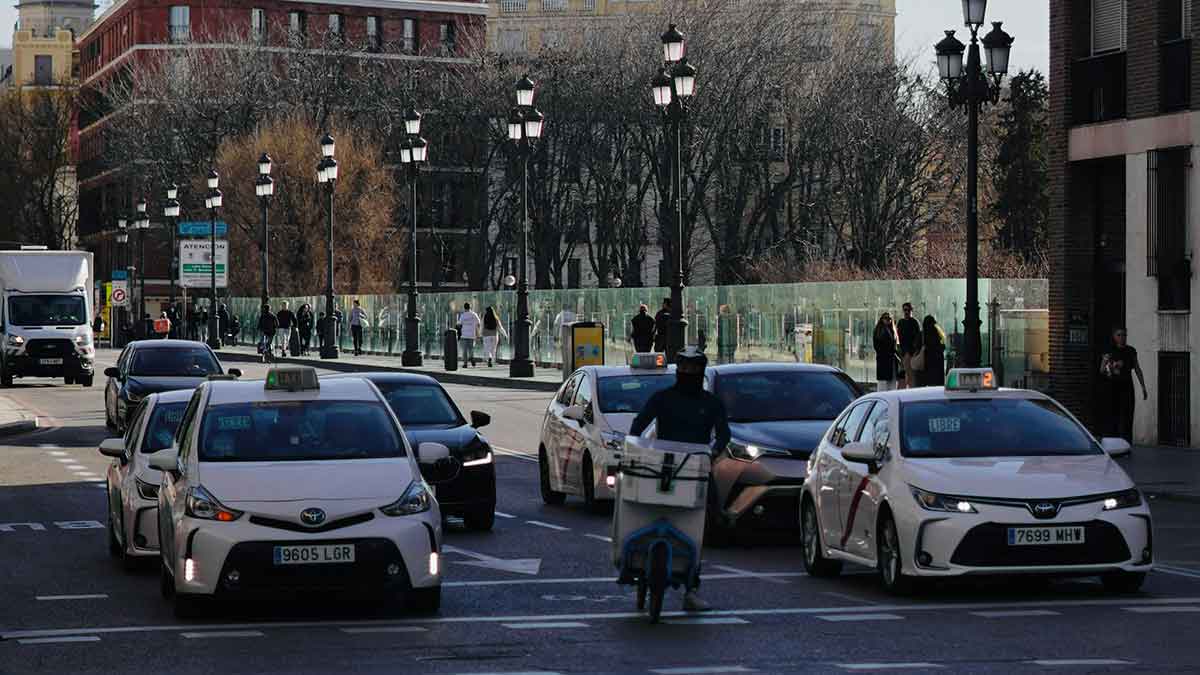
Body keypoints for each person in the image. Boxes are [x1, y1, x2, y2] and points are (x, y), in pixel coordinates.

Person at [629, 346, 731, 613]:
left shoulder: (711, 403)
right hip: (661, 467)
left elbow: (723, 434)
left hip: (696, 468)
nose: (688, 373)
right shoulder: (662, 398)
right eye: (684, 368)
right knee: (640, 507)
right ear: (678, 370)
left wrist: (715, 451)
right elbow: (639, 425)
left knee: (707, 519)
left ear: (701, 370)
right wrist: (634, 448)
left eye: (694, 369)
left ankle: (692, 587)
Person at [1101, 327, 1148, 445]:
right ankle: (1113, 442)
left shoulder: (1131, 351)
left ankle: (1127, 443)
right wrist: (1110, 365)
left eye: (1124, 335)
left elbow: (1137, 368)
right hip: (1112, 388)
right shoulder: (1109, 350)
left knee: (1127, 415)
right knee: (1113, 415)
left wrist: (1143, 387)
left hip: (1127, 387)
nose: (1122, 338)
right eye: (1119, 335)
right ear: (1114, 337)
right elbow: (1102, 370)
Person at [915, 315, 946, 387]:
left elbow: (916, 346)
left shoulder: (922, 334)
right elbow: (943, 347)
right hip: (937, 364)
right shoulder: (938, 334)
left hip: (925, 363)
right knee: (936, 385)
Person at [896, 302, 922, 389]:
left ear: (911, 310)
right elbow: (898, 337)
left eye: (908, 310)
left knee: (909, 373)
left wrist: (914, 351)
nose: (906, 312)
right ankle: (908, 388)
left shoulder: (914, 322)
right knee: (907, 373)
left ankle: (909, 389)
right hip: (904, 351)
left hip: (910, 352)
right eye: (905, 310)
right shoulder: (901, 322)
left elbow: (917, 338)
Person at [872, 312, 900, 391]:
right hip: (884, 360)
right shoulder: (879, 330)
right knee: (883, 384)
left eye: (890, 319)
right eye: (886, 318)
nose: (888, 320)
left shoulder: (892, 330)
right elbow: (877, 346)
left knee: (892, 383)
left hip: (891, 360)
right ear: (882, 319)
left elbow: (895, 344)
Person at [458, 302, 482, 367]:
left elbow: (459, 324)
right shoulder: (474, 314)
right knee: (471, 349)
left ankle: (465, 364)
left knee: (464, 350)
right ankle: (471, 358)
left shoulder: (463, 315)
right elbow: (479, 323)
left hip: (464, 335)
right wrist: (477, 330)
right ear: (470, 307)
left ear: (464, 307)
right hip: (472, 335)